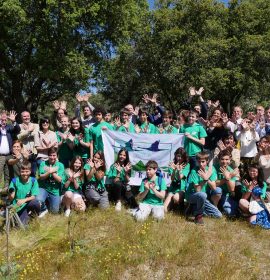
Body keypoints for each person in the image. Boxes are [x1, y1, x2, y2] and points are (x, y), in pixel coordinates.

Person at [186, 152, 222, 225]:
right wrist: (204, 180)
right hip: (193, 195)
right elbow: (197, 190)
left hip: (204, 198)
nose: (201, 164)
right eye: (199, 162)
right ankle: (198, 216)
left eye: (203, 162)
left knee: (218, 215)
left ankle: (194, 208)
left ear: (207, 161)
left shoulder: (211, 170)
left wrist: (206, 178)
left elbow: (214, 187)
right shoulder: (194, 171)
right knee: (202, 194)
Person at [37, 147, 65, 216]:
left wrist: (52, 172)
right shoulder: (43, 164)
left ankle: (50, 203)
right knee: (38, 200)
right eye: (50, 155)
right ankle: (44, 208)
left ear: (57, 156)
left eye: (54, 155)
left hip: (55, 190)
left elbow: (60, 180)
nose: (52, 157)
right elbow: (41, 177)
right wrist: (49, 172)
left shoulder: (60, 165)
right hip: (43, 188)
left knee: (54, 212)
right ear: (48, 155)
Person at [211, 149, 239, 216]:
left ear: (230, 160)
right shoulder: (214, 168)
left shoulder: (231, 170)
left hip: (226, 194)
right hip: (214, 193)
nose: (224, 161)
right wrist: (227, 178)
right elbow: (214, 184)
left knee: (231, 213)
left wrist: (228, 177)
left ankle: (221, 206)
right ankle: (214, 207)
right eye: (222, 159)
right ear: (219, 159)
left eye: (227, 159)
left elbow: (231, 190)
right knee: (218, 190)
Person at [164, 148, 190, 212]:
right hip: (172, 189)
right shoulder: (172, 164)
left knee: (176, 197)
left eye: (181, 157)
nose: (179, 158)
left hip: (182, 189)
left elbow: (179, 178)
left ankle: (180, 206)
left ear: (184, 157)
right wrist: (174, 170)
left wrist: (179, 171)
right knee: (164, 209)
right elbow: (172, 179)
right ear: (175, 155)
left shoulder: (186, 165)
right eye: (178, 156)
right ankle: (172, 206)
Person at [0, 110, 20, 190]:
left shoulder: (9, 127)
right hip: (0, 156)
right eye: (2, 119)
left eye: (5, 120)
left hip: (9, 155)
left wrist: (13, 121)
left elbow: (17, 130)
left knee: (8, 173)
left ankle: (6, 189)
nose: (4, 121)